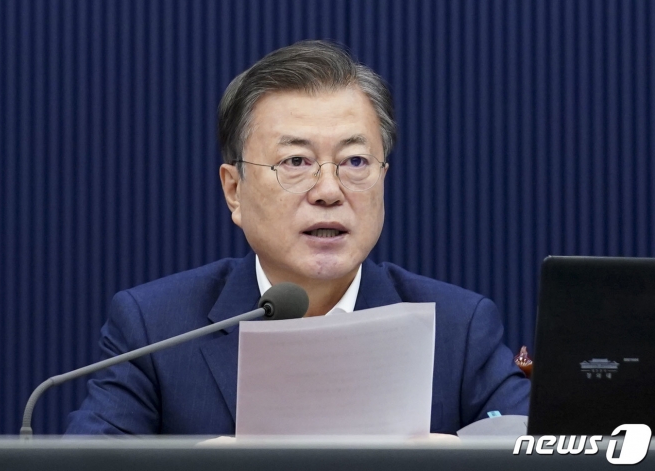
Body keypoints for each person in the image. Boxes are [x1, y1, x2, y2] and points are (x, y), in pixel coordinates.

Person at [66, 40, 529, 435]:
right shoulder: (156, 329)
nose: (329, 191)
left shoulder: (459, 329)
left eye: (355, 162)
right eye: (295, 162)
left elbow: (541, 450)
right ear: (234, 190)